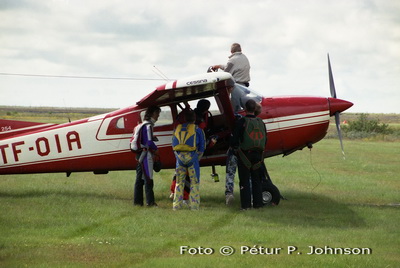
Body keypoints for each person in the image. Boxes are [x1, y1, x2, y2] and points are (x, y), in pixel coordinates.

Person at [225, 101, 262, 206]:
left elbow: (234, 139)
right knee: (251, 177)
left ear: (245, 109)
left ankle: (229, 193)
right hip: (253, 154)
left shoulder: (241, 120)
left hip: (237, 153)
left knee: (231, 173)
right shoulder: (259, 122)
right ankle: (252, 199)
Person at [172, 109, 206, 210]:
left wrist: (178, 157)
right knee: (194, 182)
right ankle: (194, 206)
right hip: (193, 158)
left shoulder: (177, 129)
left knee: (179, 182)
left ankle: (176, 206)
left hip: (179, 159)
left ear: (185, 118)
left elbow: (173, 145)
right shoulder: (198, 130)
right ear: (194, 119)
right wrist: (197, 158)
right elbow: (202, 147)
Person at [133, 106, 161, 207]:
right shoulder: (149, 126)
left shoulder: (142, 125)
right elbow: (148, 142)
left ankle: (137, 202)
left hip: (139, 154)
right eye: (157, 113)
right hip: (145, 155)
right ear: (153, 113)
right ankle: (150, 202)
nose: (158, 116)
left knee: (139, 179)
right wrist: (156, 149)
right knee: (148, 178)